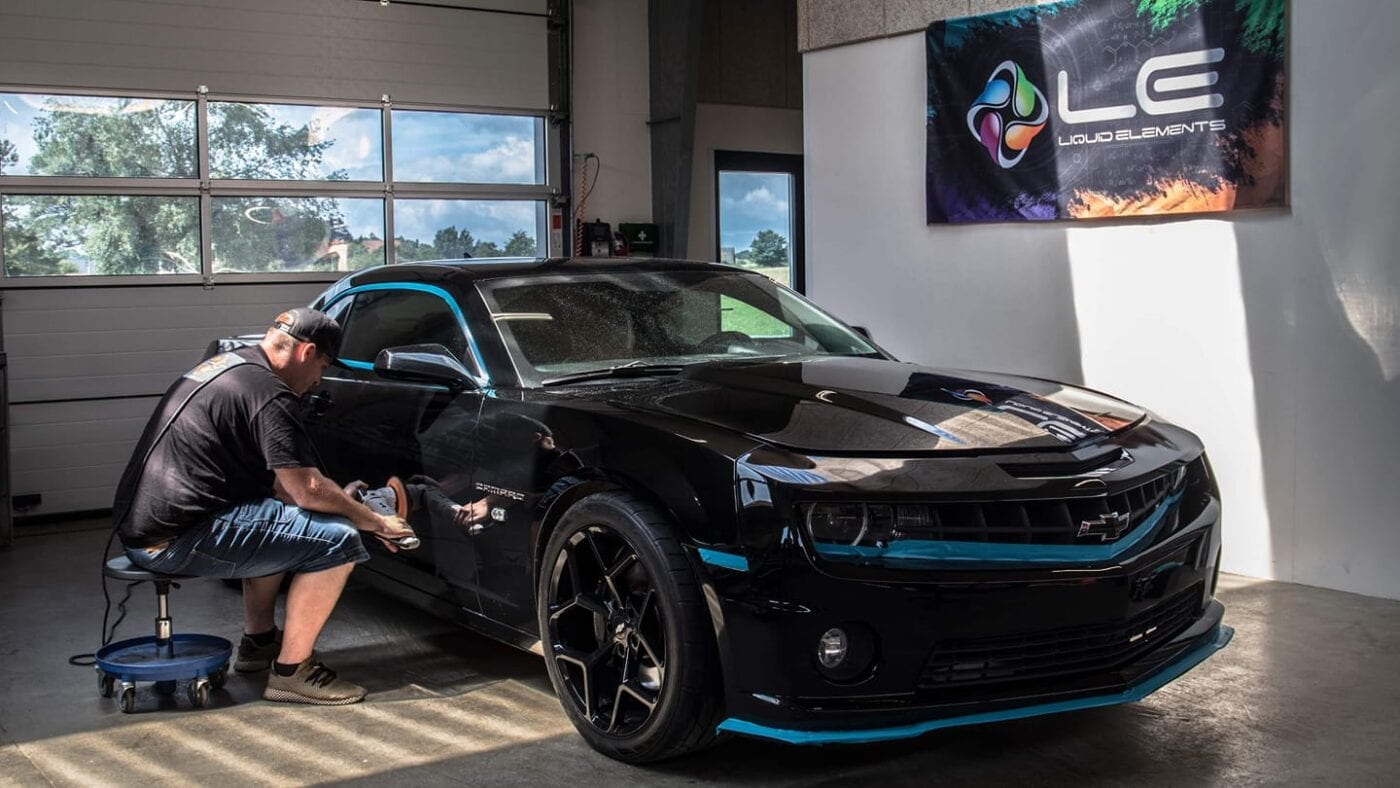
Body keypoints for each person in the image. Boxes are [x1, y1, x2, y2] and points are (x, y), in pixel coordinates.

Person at [112, 308, 415, 705]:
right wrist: (374, 521)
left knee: (281, 519)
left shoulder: (229, 366)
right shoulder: (271, 393)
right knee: (338, 540)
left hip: (150, 526)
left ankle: (259, 643)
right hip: (176, 537)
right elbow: (306, 488)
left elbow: (285, 486)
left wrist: (342, 500)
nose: (319, 380)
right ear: (307, 352)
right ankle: (292, 672)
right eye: (322, 365)